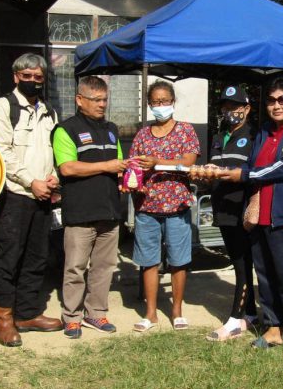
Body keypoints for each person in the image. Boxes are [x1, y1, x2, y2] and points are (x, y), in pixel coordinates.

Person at [217, 76, 283, 358]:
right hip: (260, 213)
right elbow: (253, 163)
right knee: (265, 273)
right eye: (272, 100)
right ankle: (273, 327)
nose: (277, 105)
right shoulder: (263, 131)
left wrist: (245, 175)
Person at [0, 53, 62, 347]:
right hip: (15, 196)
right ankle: (3, 318)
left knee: (37, 257)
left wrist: (53, 176)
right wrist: (31, 181)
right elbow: (1, 153)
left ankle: (28, 313)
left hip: (42, 197)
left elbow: (52, 149)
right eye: (27, 76)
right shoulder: (4, 107)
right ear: (16, 77)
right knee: (8, 257)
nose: (33, 81)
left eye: (38, 77)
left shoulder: (49, 111)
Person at [53, 76, 126, 339]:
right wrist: (107, 166)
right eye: (96, 99)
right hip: (81, 212)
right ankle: (71, 317)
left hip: (109, 210)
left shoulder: (112, 129)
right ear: (79, 100)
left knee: (104, 267)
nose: (102, 104)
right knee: (75, 268)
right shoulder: (65, 129)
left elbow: (119, 163)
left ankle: (96, 313)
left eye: (105, 99)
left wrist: (126, 178)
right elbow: (67, 168)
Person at [129, 80, 200, 332]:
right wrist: (131, 182)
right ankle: (150, 313)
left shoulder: (185, 130)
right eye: (155, 102)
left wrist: (157, 161)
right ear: (149, 104)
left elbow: (188, 161)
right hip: (147, 206)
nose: (160, 106)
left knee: (178, 260)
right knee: (149, 260)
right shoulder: (142, 134)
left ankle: (176, 311)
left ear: (173, 102)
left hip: (177, 206)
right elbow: (133, 165)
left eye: (164, 101)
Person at [198, 85, 258, 341]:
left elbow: (256, 174)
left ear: (247, 108)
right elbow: (214, 172)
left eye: (235, 106)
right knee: (237, 261)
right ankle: (251, 313)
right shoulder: (218, 136)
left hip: (242, 210)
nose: (229, 111)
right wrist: (204, 175)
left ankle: (235, 319)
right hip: (221, 208)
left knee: (243, 264)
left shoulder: (255, 136)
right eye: (225, 106)